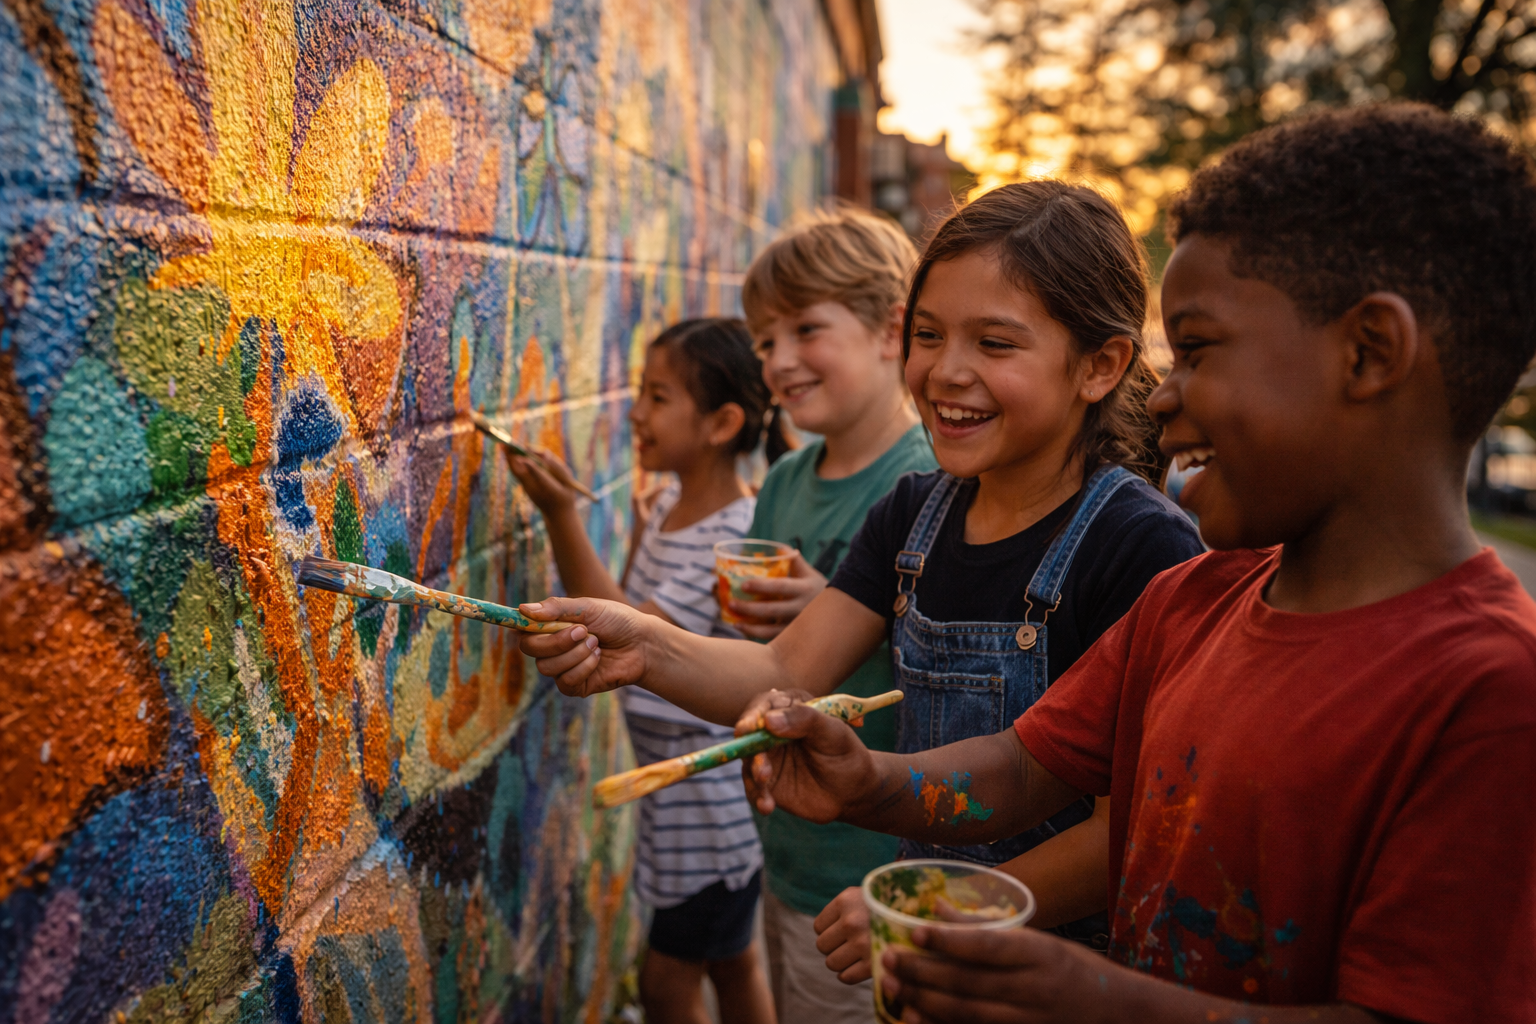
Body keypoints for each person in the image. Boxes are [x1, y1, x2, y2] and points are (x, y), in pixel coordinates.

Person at [729, 104, 1536, 1023]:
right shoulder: (1193, 602)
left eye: (1194, 350)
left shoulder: (1490, 692)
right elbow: (1017, 772)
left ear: (1370, 352)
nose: (1164, 399)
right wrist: (867, 781)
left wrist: (1087, 994)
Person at [515, 184, 1203, 993]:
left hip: (1050, 977)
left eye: (995, 343)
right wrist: (644, 644)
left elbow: (1134, 828)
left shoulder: (1141, 545)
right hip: (915, 950)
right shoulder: (913, 514)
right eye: (928, 335)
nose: (946, 372)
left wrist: (947, 905)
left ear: (1100, 365)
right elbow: (781, 670)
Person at [506, 318, 778, 1024]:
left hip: (708, 822)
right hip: (683, 813)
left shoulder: (728, 537)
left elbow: (620, 624)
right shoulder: (665, 507)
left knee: (666, 987)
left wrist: (562, 513)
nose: (634, 413)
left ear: (721, 423)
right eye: (639, 392)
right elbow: (624, 602)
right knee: (733, 962)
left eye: (657, 397)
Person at [729, 208, 939, 1021]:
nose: (778, 361)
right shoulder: (784, 480)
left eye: (805, 330)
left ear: (892, 330)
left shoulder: (927, 481)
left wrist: (837, 608)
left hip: (876, 868)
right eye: (763, 342)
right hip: (787, 851)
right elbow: (762, 656)